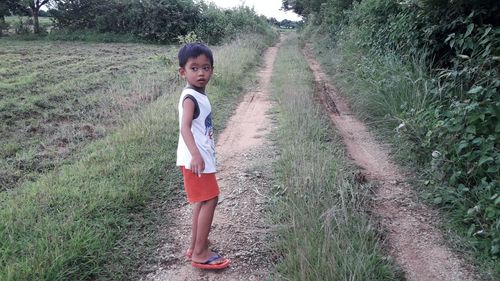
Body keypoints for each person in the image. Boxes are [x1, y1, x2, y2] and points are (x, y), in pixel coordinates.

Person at [176, 42, 230, 270]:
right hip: (196, 160)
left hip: (199, 159)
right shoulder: (190, 97)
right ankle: (200, 253)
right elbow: (185, 127)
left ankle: (195, 245)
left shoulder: (198, 95)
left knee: (202, 200)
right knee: (211, 199)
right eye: (194, 68)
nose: (201, 73)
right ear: (183, 72)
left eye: (206, 68)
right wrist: (196, 155)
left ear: (212, 70)